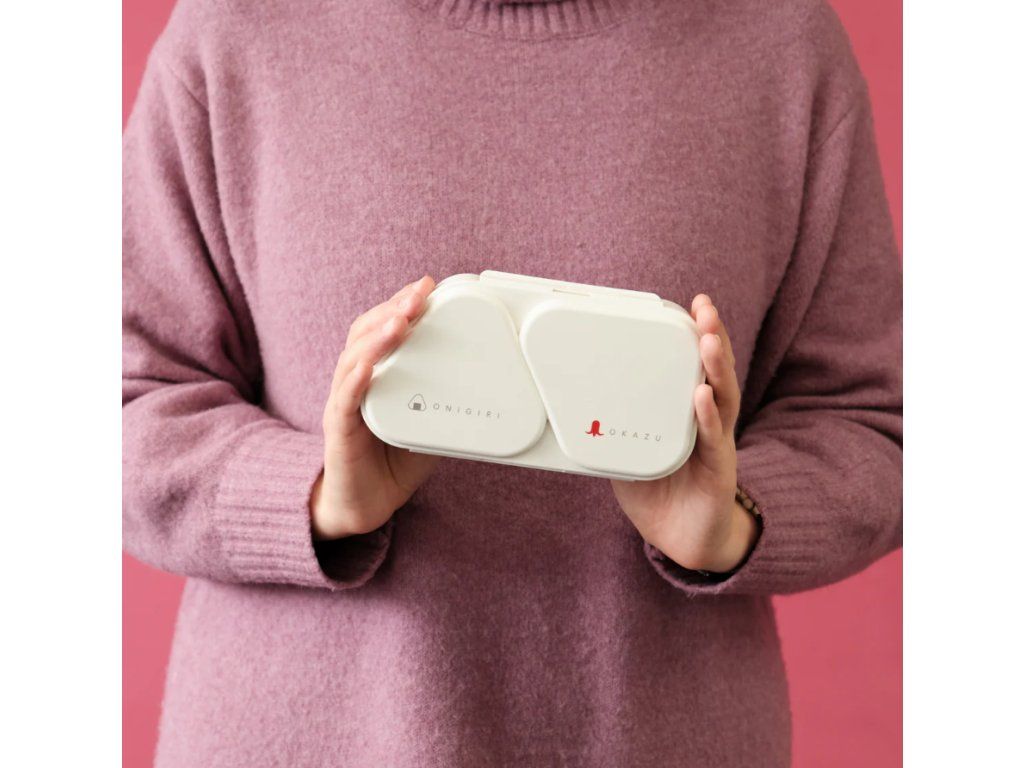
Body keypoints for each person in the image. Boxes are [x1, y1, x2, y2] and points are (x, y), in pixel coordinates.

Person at [122, 0, 902, 765]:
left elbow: (876, 419)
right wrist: (320, 495)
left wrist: (728, 525)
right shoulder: (241, 28)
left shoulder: (781, 40)